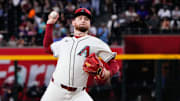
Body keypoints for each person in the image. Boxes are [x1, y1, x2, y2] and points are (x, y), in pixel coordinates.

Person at [41, 8, 120, 101]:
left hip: (78, 94)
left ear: (89, 24)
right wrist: (50, 23)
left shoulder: (96, 43)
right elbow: (47, 48)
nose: (83, 20)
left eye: (86, 19)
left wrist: (108, 73)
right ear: (73, 22)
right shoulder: (65, 41)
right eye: (80, 18)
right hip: (55, 90)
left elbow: (114, 64)